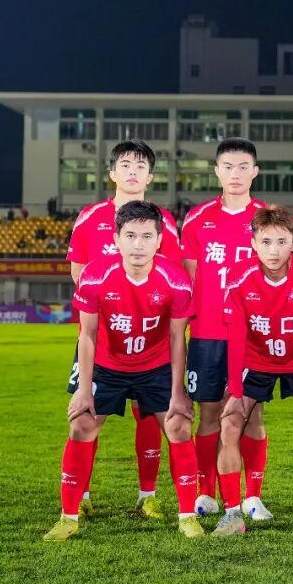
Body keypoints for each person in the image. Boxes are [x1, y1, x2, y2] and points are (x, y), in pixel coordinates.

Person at [43, 201, 203, 541]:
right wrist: (84, 390)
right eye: (130, 236)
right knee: (81, 424)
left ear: (159, 240)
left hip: (155, 365)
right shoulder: (95, 275)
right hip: (107, 364)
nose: (138, 244)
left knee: (178, 426)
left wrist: (178, 392)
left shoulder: (176, 280)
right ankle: (68, 517)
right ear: (116, 239)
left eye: (147, 236)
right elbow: (87, 335)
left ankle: (188, 517)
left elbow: (178, 338)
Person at [64, 139, 183, 519]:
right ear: (112, 173)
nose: (133, 172)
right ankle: (81, 496)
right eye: (126, 165)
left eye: (140, 166)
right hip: (103, 336)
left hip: (150, 336)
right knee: (87, 412)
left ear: (150, 176)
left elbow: (173, 276)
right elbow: (79, 273)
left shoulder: (163, 222)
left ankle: (147, 495)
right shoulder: (89, 217)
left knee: (148, 414)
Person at [211, 206, 293, 538]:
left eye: (281, 242)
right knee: (230, 421)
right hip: (255, 359)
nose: (274, 250)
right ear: (253, 243)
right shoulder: (239, 276)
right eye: (266, 242)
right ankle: (232, 515)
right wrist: (235, 391)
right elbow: (236, 336)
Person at [179, 138, 269, 518]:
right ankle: (206, 493)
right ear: (216, 171)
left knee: (251, 414)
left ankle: (252, 497)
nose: (236, 174)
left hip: (253, 335)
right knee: (209, 412)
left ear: (255, 172)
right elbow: (189, 280)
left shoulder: (267, 218)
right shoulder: (198, 219)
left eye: (243, 167)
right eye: (228, 167)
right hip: (208, 335)